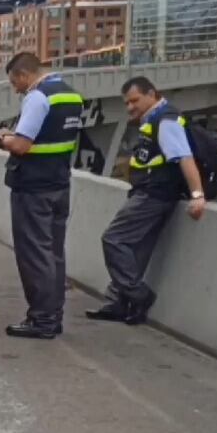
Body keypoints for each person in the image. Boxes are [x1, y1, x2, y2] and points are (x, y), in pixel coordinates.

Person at [87, 77, 206, 325]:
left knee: (114, 239)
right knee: (136, 249)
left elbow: (184, 158)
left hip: (154, 194)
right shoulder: (153, 119)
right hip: (148, 191)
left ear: (152, 94)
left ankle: (139, 295)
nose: (130, 107)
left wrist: (197, 195)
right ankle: (120, 304)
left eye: (135, 100)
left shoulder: (166, 120)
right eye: (127, 103)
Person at [0, 52, 83, 340]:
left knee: (35, 255)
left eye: (14, 82)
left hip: (33, 188)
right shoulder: (71, 96)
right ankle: (53, 317)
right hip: (59, 184)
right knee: (54, 253)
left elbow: (21, 145)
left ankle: (41, 319)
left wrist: (5, 138)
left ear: (23, 75)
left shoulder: (37, 97)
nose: (15, 88)